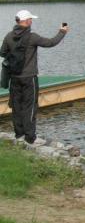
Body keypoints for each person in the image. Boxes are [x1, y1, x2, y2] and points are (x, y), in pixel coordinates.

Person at [0, 10, 68, 143]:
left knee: (16, 105)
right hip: (29, 78)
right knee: (30, 106)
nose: (32, 21)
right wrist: (62, 32)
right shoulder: (32, 37)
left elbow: (2, 52)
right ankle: (30, 137)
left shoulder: (8, 36)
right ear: (26, 21)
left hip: (14, 77)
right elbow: (51, 42)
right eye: (30, 19)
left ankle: (19, 134)